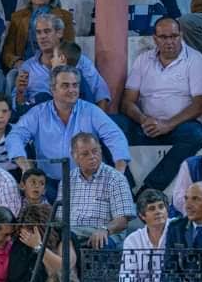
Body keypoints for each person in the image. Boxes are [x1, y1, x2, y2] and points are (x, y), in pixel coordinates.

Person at [114, 17, 202, 193]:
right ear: (155, 38)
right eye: (164, 37)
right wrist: (143, 119)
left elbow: (201, 104)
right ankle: (125, 187)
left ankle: (150, 189)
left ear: (181, 35)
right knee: (109, 125)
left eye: (174, 36)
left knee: (196, 134)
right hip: (146, 126)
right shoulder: (143, 60)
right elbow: (127, 102)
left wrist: (168, 124)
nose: (169, 41)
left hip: (178, 127)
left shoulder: (195, 60)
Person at [7, 66, 129, 196]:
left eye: (75, 85)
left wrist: (119, 172)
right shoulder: (38, 113)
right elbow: (15, 136)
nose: (71, 90)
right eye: (65, 85)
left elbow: (115, 136)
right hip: (49, 184)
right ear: (53, 89)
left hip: (88, 182)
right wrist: (25, 166)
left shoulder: (91, 111)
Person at [58, 132, 134, 250]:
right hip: (72, 234)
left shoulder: (116, 178)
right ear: (74, 156)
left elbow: (123, 220)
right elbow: (59, 217)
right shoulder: (67, 180)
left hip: (104, 234)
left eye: (95, 151)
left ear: (101, 150)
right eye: (85, 154)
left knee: (100, 243)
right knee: (57, 242)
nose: (92, 157)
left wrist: (105, 229)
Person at [14, 17, 109, 110]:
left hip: (77, 115)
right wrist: (20, 92)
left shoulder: (81, 62)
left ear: (59, 33)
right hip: (39, 115)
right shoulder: (28, 67)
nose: (42, 36)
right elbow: (18, 108)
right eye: (38, 32)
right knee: (42, 97)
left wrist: (98, 119)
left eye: (47, 31)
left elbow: (101, 94)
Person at [0, 0, 75, 73]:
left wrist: (55, 64)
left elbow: (70, 48)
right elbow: (7, 51)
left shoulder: (65, 17)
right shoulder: (17, 17)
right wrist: (17, 63)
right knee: (12, 75)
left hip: (53, 66)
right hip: (25, 67)